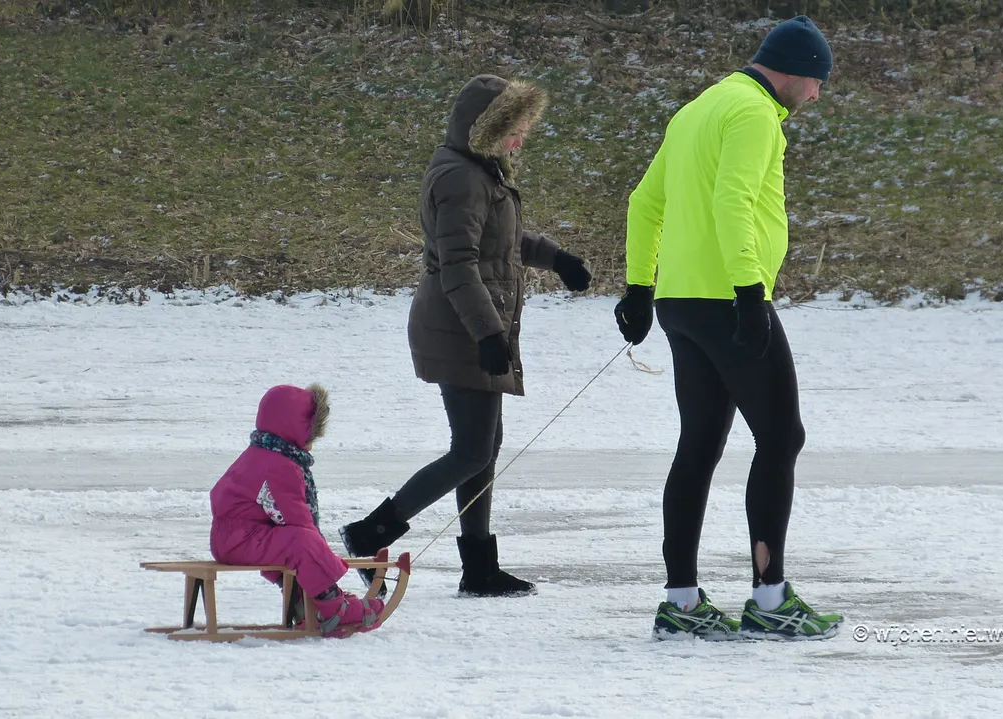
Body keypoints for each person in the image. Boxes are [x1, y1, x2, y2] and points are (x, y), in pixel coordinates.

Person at [614, 16, 844, 640]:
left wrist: (640, 288)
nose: (817, 95)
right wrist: (749, 290)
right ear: (794, 71)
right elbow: (733, 201)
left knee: (700, 445)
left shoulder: (697, 108)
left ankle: (682, 603)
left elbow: (644, 201)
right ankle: (770, 600)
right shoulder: (751, 114)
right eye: (817, 81)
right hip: (727, 301)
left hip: (681, 303)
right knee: (781, 436)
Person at [339, 74, 593, 598]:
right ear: (489, 128)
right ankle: (372, 531)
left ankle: (479, 566)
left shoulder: (480, 172)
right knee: (472, 450)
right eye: (515, 129)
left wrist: (556, 258)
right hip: (460, 328)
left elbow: (503, 240)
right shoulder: (461, 178)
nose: (521, 139)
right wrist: (487, 332)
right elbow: (458, 264)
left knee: (484, 445)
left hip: (472, 325)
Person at [209, 383, 385, 634]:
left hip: (234, 537)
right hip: (241, 539)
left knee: (297, 540)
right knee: (302, 540)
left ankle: (305, 600)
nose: (311, 443)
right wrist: (323, 555)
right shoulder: (279, 465)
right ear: (295, 430)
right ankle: (333, 607)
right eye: (310, 435)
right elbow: (295, 517)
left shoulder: (261, 453)